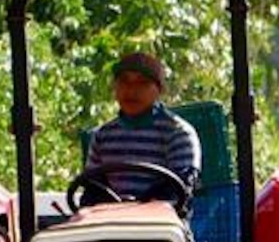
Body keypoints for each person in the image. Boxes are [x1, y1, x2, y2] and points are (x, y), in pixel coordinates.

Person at [84, 50, 200, 205]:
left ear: (159, 90)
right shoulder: (103, 136)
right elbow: (93, 187)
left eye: (142, 83)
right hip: (113, 221)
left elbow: (180, 189)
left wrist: (139, 207)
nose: (131, 90)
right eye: (124, 81)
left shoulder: (178, 133)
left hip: (161, 223)